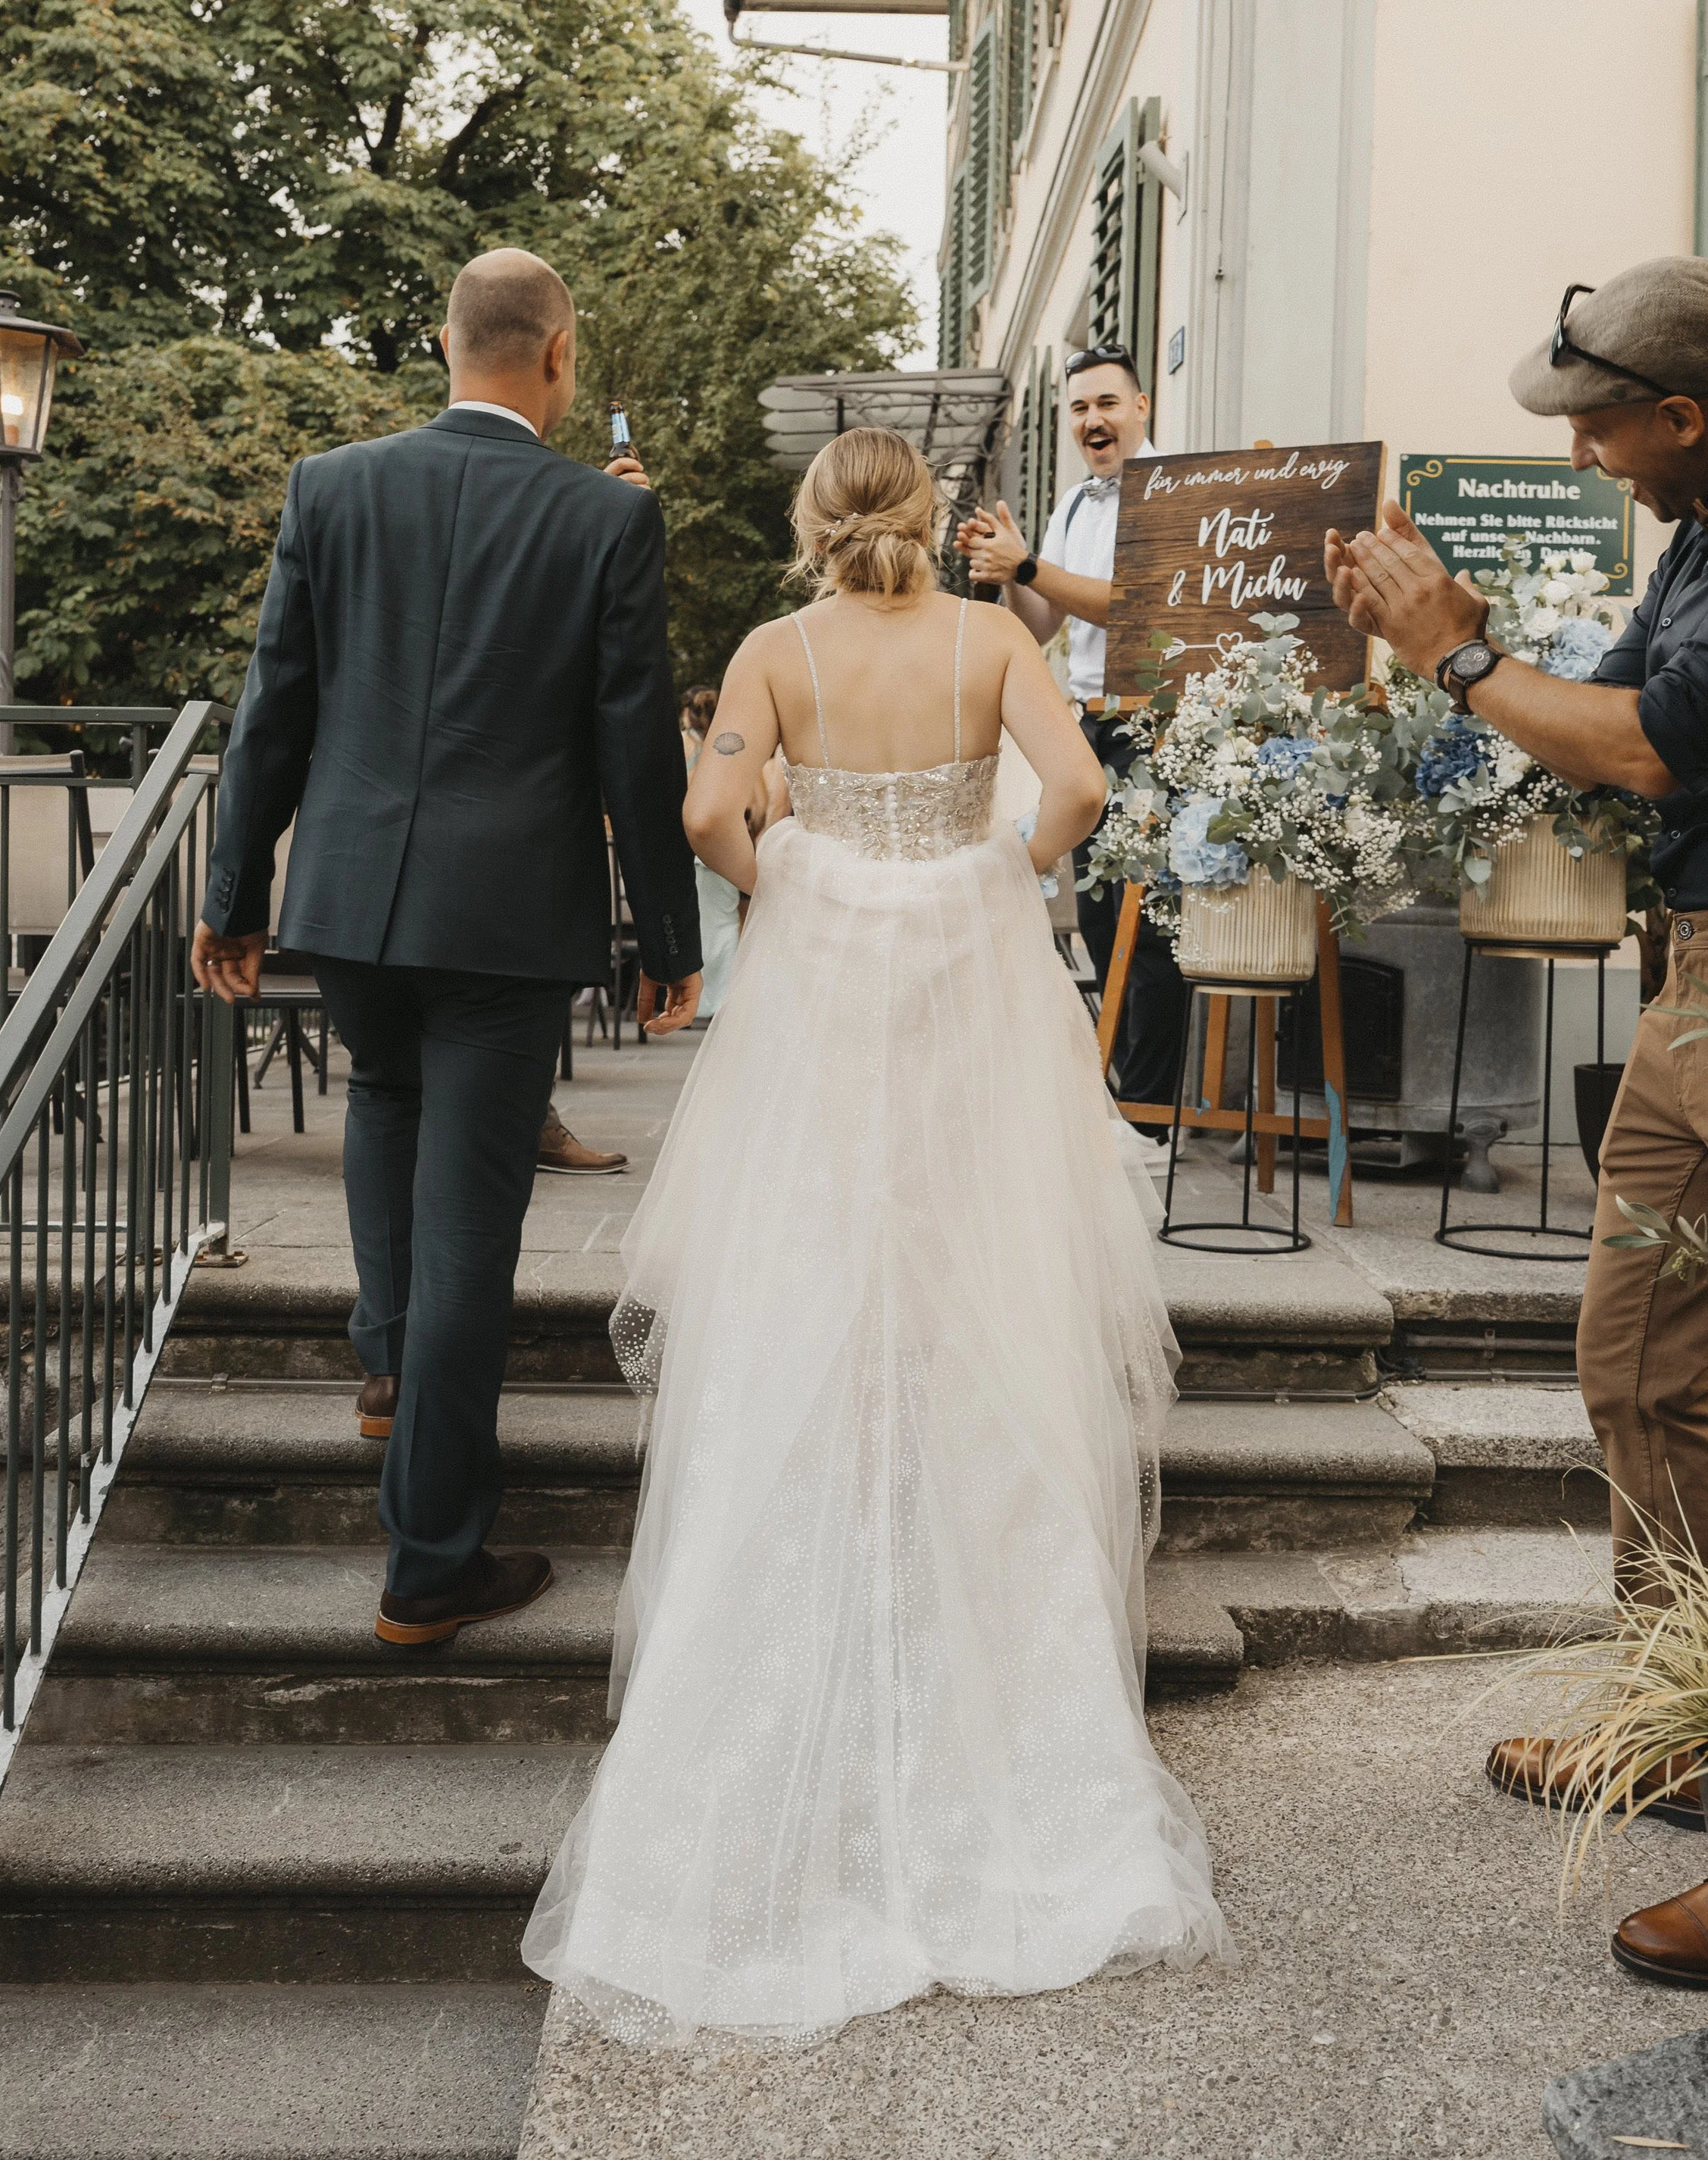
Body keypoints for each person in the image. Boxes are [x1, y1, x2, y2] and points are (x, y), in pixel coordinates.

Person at [522, 425, 1228, 2042]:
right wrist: (993, 874)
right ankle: (1008, 1708)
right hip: (970, 978)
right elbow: (1079, 789)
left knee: (812, 1258)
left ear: (810, 521)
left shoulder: (777, 650)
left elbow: (707, 812)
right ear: (927, 516)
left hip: (829, 983)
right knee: (981, 1269)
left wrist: (788, 873)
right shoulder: (992, 639)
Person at [1325, 255, 1708, 1998]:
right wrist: (1430, 653)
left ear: (1680, 412)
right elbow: (1584, 726)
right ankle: (1687, 1724)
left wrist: (1455, 648)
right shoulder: (1700, 517)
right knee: (1633, 1357)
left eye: (1598, 428)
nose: (1583, 456)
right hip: (1696, 969)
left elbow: (1655, 742)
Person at [193, 248, 702, 1649]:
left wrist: (232, 894)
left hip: (353, 901)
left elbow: (273, 708)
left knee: (385, 1097)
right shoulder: (610, 517)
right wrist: (667, 937)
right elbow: (634, 742)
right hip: (508, 916)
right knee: (474, 1218)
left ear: (443, 343)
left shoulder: (330, 486)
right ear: (560, 354)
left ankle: (386, 1371)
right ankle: (430, 1561)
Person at [957, 345, 1189, 1130]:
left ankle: (1150, 1113)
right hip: (1089, 724)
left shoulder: (1169, 488)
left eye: (1107, 403)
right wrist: (1002, 574)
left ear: (1142, 407)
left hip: (1156, 724)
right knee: (1097, 916)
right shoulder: (1071, 505)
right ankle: (1119, 1095)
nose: (1093, 419)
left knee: (1146, 922)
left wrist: (1027, 567)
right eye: (1080, 408)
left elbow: (1138, 607)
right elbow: (1042, 624)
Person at [678, 683, 741, 1018]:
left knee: (699, 925)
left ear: (687, 712)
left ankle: (698, 1002)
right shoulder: (726, 747)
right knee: (726, 922)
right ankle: (724, 1001)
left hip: (692, 845)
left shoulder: (683, 744)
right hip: (727, 842)